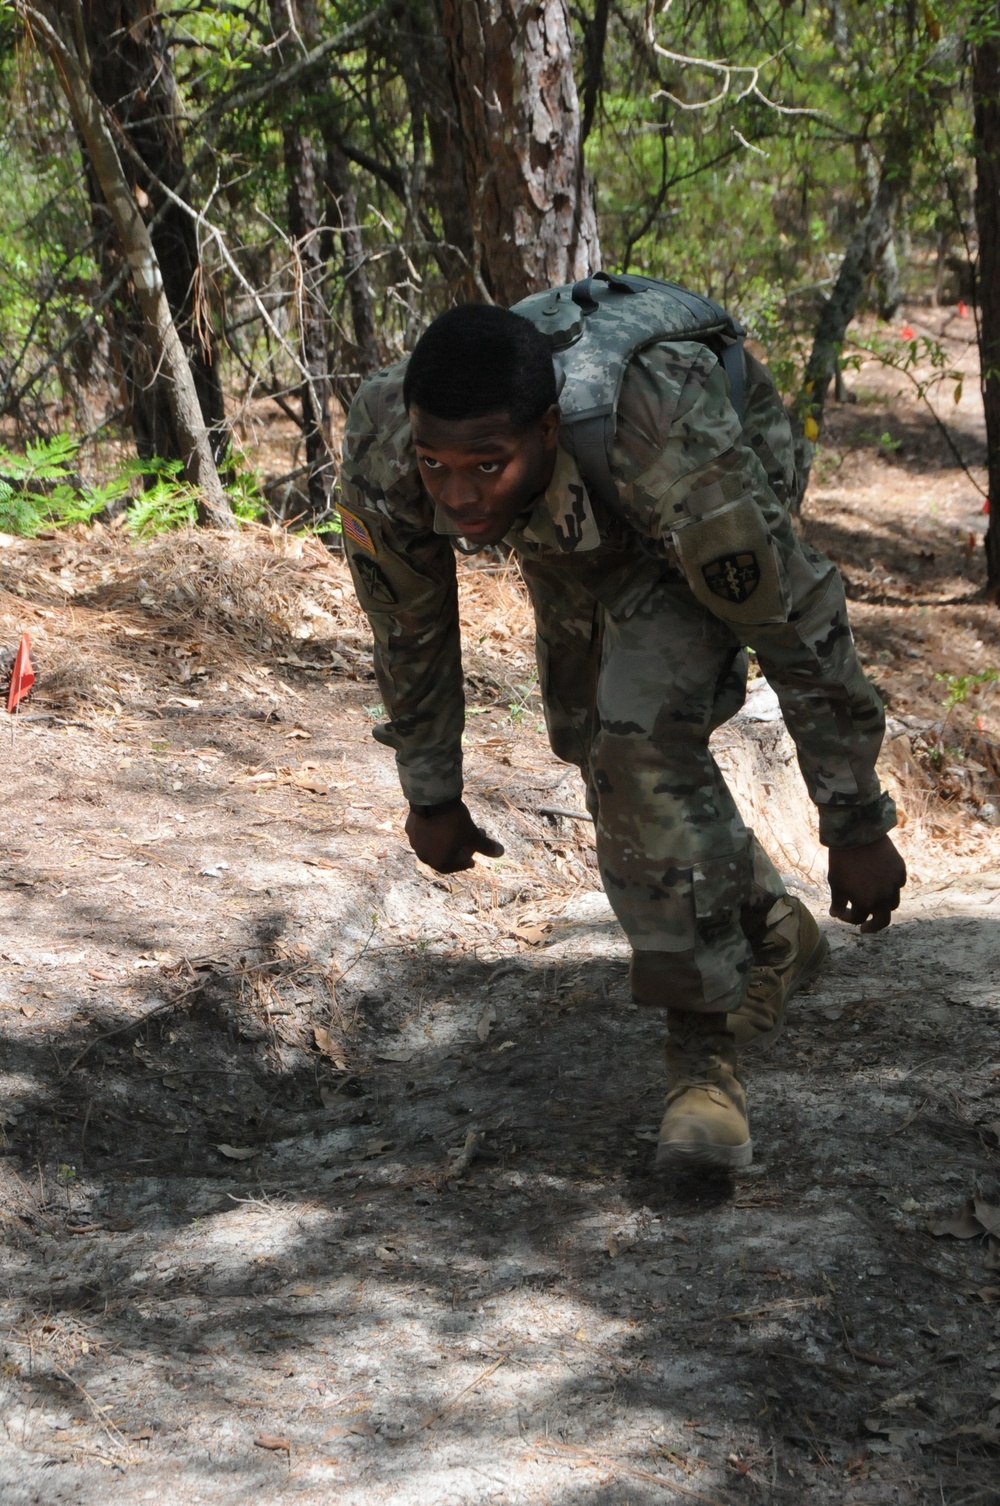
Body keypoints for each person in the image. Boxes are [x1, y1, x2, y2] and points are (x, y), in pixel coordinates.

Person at [336, 295, 906, 1172]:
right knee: (585, 734)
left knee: (638, 739)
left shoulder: (670, 442)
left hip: (707, 466)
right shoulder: (388, 437)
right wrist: (431, 790)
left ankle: (703, 1069)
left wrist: (856, 822)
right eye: (436, 465)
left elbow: (796, 623)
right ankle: (773, 924)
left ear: (548, 427)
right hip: (576, 510)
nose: (454, 494)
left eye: (484, 465)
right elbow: (406, 623)